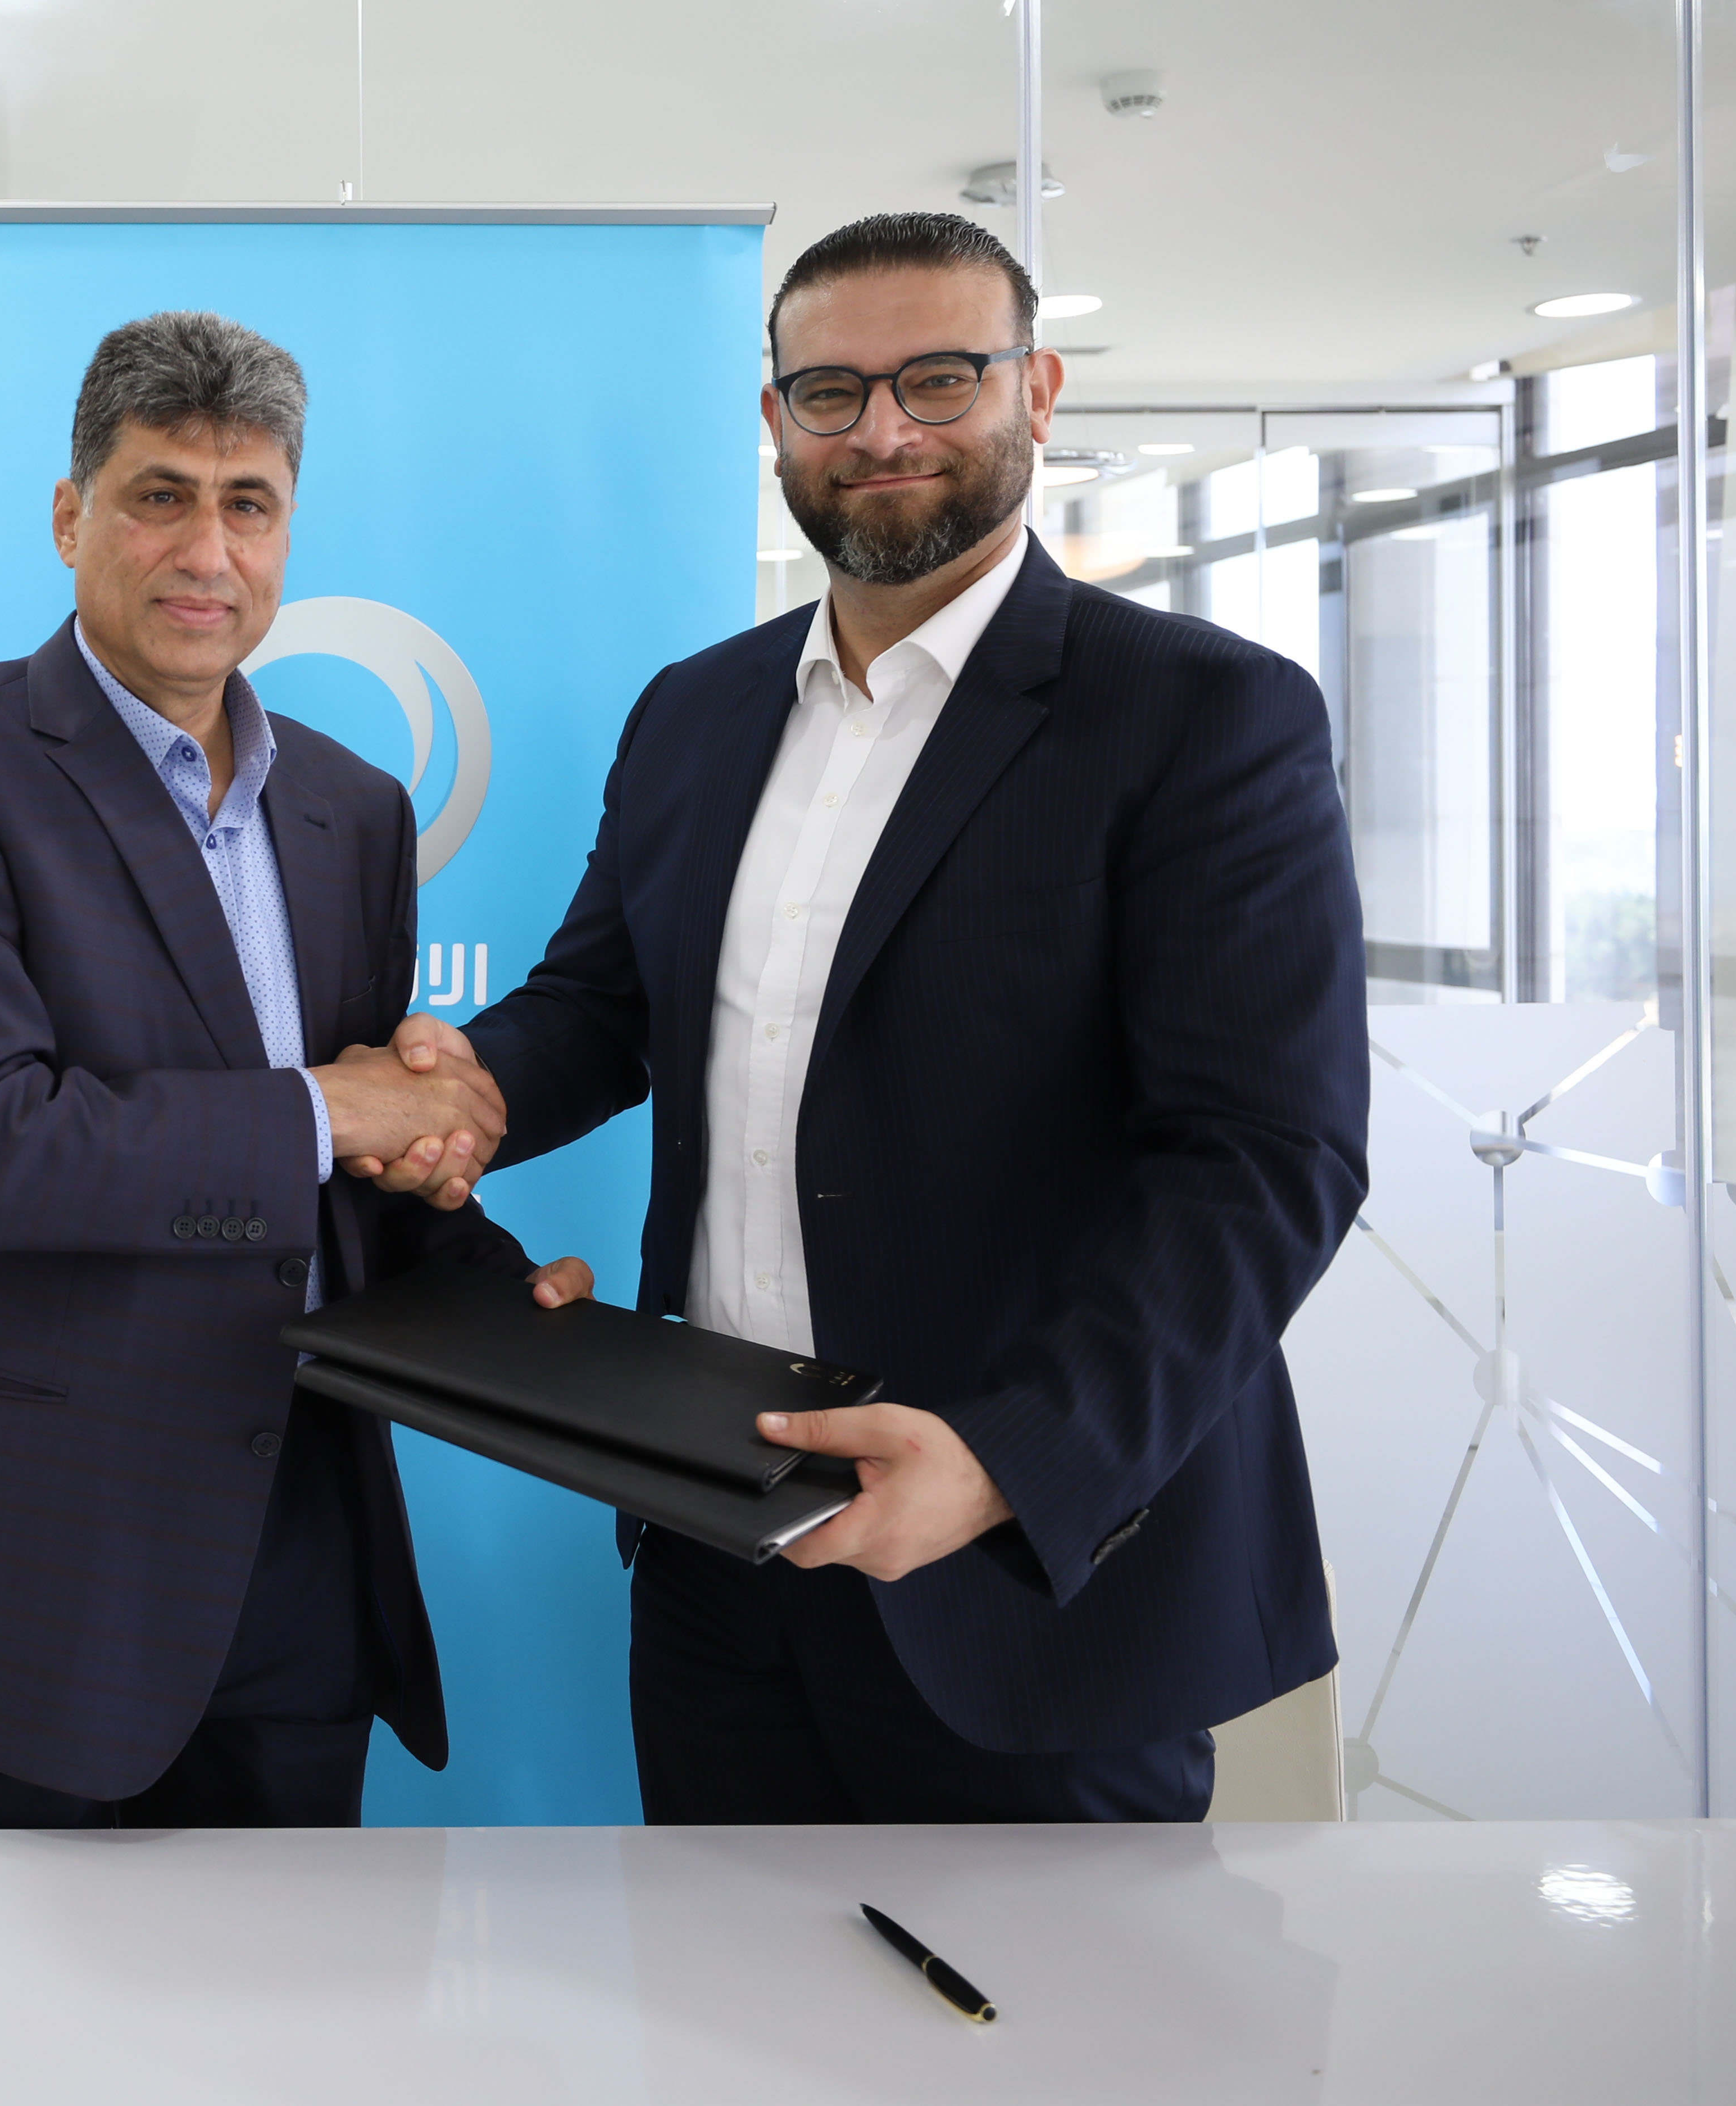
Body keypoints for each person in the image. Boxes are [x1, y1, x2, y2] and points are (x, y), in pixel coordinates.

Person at [367, 212, 1368, 1823]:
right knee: (722, 1980)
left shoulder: (1203, 713)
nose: (885, 430)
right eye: (832, 391)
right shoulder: (694, 710)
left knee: (1036, 1997)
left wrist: (1010, 1460)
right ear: (777, 419)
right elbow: (604, 1007)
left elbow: (1265, 1159)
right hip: (716, 1541)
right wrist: (461, 1085)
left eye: (940, 378)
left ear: (1037, 389)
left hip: (1017, 1572)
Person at [0, 310, 592, 1829]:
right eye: (160, 496)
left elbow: (333, 1177)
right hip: (22, 1569)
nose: (207, 551)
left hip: (299, 1552)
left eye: (249, 505)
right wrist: (341, 1104)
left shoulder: (353, 809)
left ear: (287, 531)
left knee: (288, 1986)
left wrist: (488, 1280)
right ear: (70, 514)